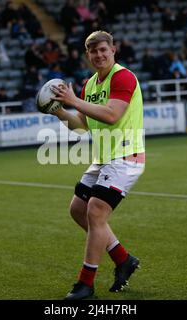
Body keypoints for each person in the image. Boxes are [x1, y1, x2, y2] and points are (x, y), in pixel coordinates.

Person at [50, 30, 145, 300]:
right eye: (93, 51)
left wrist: (74, 101)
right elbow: (81, 126)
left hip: (126, 158)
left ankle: (85, 284)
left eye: (103, 49)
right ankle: (123, 259)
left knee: (95, 212)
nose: (99, 55)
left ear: (113, 50)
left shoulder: (123, 76)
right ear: (88, 55)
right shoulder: (89, 85)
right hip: (104, 159)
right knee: (77, 209)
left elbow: (113, 115)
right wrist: (57, 109)